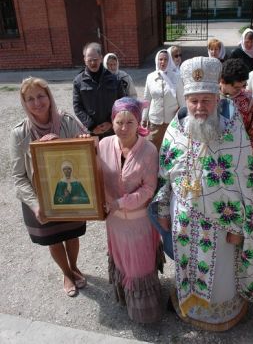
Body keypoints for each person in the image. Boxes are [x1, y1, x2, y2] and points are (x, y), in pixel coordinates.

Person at [152, 57, 253, 331]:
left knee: (221, 276)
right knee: (187, 265)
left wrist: (240, 227)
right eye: (193, 100)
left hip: (222, 225)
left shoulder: (234, 133)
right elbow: (165, 176)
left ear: (217, 97)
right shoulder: (174, 130)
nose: (199, 107)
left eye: (206, 100)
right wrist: (164, 211)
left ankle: (220, 312)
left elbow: (247, 186)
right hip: (184, 221)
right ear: (186, 100)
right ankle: (189, 303)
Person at [10, 77, 88, 297]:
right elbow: (18, 176)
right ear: (24, 102)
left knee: (72, 235)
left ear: (49, 96)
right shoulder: (19, 133)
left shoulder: (66, 121)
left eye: (41, 96)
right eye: (30, 99)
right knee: (53, 238)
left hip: (70, 194)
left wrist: (81, 141)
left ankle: (74, 267)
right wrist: (35, 205)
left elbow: (85, 157)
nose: (37, 103)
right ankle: (65, 273)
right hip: (39, 199)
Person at [99, 97, 163, 323]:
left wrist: (121, 203)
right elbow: (90, 172)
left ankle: (145, 312)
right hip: (114, 222)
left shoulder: (149, 150)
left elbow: (149, 189)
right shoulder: (103, 145)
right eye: (119, 122)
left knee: (139, 266)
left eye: (130, 122)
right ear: (111, 121)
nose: (124, 128)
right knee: (123, 262)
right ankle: (125, 298)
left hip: (138, 222)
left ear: (139, 123)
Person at [73, 42, 125, 139]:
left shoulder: (114, 79)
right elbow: (77, 107)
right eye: (89, 60)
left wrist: (111, 121)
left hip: (113, 130)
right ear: (84, 60)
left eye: (95, 60)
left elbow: (122, 103)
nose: (93, 63)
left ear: (101, 58)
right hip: (91, 133)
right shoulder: (78, 81)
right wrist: (91, 126)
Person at [142, 49, 185, 151]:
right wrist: (143, 118)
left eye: (165, 59)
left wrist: (183, 119)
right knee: (153, 149)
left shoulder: (177, 77)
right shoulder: (150, 77)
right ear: (157, 60)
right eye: (160, 59)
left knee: (170, 149)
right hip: (155, 122)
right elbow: (146, 99)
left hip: (172, 122)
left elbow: (182, 101)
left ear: (169, 61)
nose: (163, 62)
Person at [220, 58, 253, 152]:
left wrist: (247, 153)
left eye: (243, 85)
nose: (241, 90)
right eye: (236, 87)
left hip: (241, 151)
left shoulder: (249, 99)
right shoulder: (209, 98)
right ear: (222, 81)